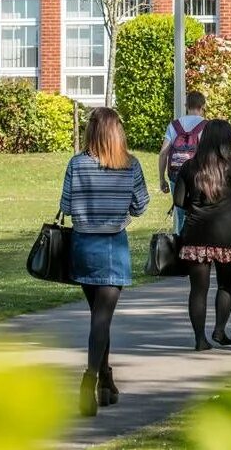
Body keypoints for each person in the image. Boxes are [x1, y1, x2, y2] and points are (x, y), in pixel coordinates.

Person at [60, 107, 149, 417]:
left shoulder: (76, 164)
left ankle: (106, 380)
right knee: (102, 318)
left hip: (83, 245)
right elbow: (140, 206)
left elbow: (66, 206)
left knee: (100, 316)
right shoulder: (130, 165)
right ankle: (90, 381)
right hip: (113, 244)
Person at [174, 120, 231, 351]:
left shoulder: (189, 167)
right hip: (227, 236)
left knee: (198, 290)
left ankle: (199, 339)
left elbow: (178, 201)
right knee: (226, 285)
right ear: (228, 141)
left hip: (196, 235)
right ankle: (220, 329)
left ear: (203, 139)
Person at [158, 91, 207, 232]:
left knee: (180, 213)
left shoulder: (174, 126)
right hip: (199, 176)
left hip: (176, 176)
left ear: (186, 105)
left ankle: (181, 247)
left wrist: (162, 179)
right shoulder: (206, 126)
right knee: (198, 213)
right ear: (203, 106)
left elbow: (163, 153)